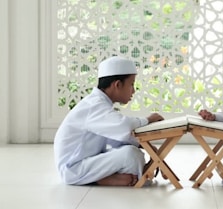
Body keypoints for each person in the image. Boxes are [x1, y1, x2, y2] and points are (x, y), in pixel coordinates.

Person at [54, 56, 164, 186]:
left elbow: (116, 138)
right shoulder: (94, 105)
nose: (133, 90)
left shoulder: (101, 104)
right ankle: (99, 179)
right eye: (131, 84)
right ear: (117, 85)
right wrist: (148, 119)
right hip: (73, 168)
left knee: (132, 152)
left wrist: (150, 150)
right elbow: (124, 127)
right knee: (131, 155)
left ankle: (103, 177)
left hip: (87, 161)